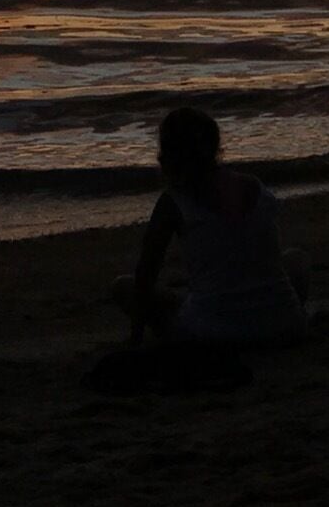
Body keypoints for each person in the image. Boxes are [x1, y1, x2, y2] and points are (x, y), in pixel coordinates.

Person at [112, 107, 310, 346]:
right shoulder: (255, 188)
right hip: (285, 325)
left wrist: (136, 336)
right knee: (295, 258)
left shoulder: (174, 201)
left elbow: (146, 273)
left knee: (124, 287)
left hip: (211, 335)